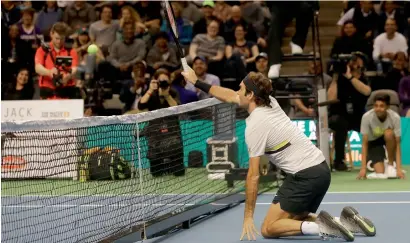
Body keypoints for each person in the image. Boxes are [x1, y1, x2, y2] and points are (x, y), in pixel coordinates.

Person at [182, 67, 376, 241]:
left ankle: (323, 227)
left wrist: (248, 216)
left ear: (250, 95)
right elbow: (229, 95)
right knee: (292, 219)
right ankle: (345, 221)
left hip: (304, 176)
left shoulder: (255, 126)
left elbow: (253, 175)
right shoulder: (270, 101)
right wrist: (197, 81)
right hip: (321, 170)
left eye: (241, 88)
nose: (236, 91)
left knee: (269, 228)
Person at [358, 94, 404, 179]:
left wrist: (399, 169)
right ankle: (383, 166)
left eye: (382, 106)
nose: (378, 109)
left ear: (388, 107)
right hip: (374, 142)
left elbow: (397, 145)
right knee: (380, 173)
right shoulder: (366, 117)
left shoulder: (395, 117)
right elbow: (364, 143)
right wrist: (363, 168)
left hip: (389, 140)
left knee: (389, 133)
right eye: (376, 106)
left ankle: (390, 165)